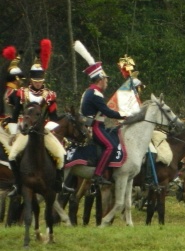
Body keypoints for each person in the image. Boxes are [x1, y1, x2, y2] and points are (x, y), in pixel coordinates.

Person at [5, 39, 70, 196]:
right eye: (36, 81)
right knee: (13, 155)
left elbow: (53, 116)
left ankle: (59, 184)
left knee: (61, 155)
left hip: (43, 130)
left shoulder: (50, 95)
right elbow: (15, 115)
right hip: (25, 130)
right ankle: (17, 185)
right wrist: (14, 133)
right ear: (31, 80)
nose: (39, 84)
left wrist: (54, 124)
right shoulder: (22, 93)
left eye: (41, 81)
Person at [75, 40, 126, 186]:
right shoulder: (95, 93)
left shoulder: (89, 91)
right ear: (100, 79)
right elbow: (107, 112)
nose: (107, 82)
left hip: (95, 124)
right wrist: (124, 115)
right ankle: (98, 175)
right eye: (105, 79)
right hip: (94, 126)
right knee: (110, 146)